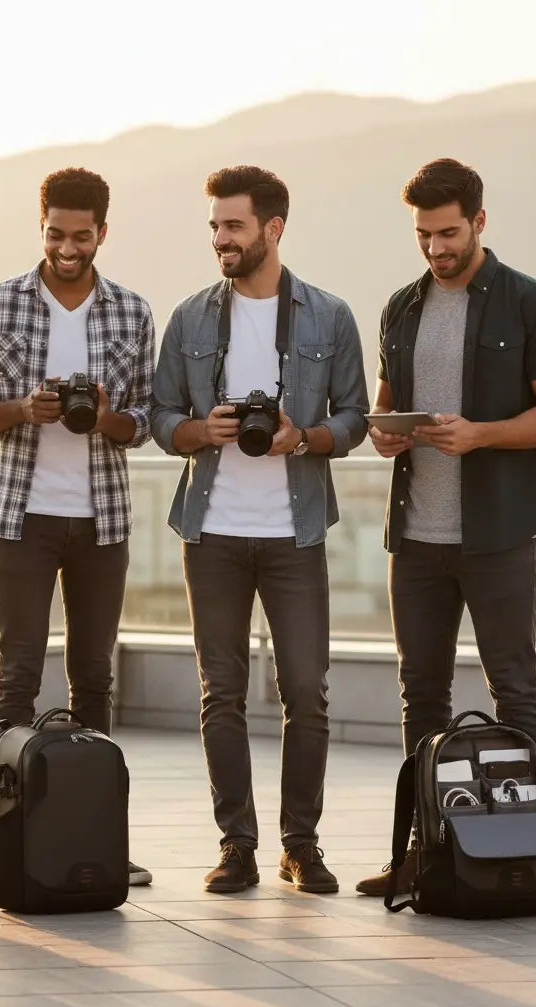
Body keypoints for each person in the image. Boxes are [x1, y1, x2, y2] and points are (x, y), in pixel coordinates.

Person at [356, 157, 536, 897]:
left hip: (501, 536)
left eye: (447, 233)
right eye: (422, 234)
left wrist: (481, 435)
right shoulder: (401, 307)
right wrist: (385, 435)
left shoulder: (532, 305)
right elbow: (387, 403)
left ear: (479, 221)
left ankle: (534, 856)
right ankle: (426, 850)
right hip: (416, 537)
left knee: (515, 688)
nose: (434, 248)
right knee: (420, 694)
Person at [151, 165, 369, 894]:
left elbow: (355, 418)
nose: (220, 238)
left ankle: (299, 846)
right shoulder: (188, 318)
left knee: (306, 691)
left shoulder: (328, 316)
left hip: (293, 534)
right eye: (215, 226)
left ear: (272, 229)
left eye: (234, 225)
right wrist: (196, 428)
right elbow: (158, 419)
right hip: (210, 532)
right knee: (222, 693)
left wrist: (301, 437)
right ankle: (236, 846)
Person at [0, 167, 154, 887]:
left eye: (81, 236)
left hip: (101, 517)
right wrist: (23, 410)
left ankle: (96, 835)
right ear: (40, 227)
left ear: (102, 231)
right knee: (18, 674)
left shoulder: (132, 313)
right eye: (55, 234)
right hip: (21, 514)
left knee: (95, 677)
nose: (67, 248)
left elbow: (146, 424)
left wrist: (100, 416)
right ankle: (7, 839)